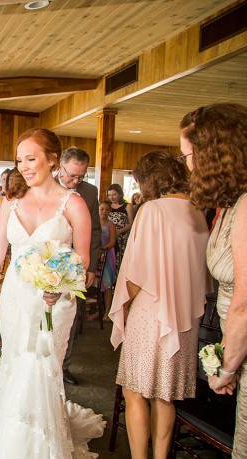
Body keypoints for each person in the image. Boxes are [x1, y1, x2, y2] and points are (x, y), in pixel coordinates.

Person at [0, 128, 103, 458]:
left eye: (31, 158)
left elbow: (84, 260)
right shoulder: (12, 201)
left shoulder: (73, 204)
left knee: (41, 368)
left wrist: (59, 288)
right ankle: (13, 439)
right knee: (16, 363)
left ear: (52, 159)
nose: (25, 166)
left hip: (53, 302)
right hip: (16, 297)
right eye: (20, 160)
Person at [109, 150, 210, 459]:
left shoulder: (152, 209)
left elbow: (136, 273)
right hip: (185, 315)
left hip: (151, 311)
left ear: (150, 180)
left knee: (135, 391)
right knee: (165, 395)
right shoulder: (198, 211)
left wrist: (123, 305)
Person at [180, 103, 247, 457]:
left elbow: (244, 304)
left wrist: (226, 367)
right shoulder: (231, 204)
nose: (187, 165)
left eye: (188, 155)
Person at [57, 146, 101, 385]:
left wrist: (91, 266)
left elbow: (94, 231)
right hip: (45, 262)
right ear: (60, 166)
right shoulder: (45, 185)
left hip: (77, 264)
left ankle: (63, 366)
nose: (75, 181)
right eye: (71, 175)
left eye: (81, 176)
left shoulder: (90, 192)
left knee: (70, 317)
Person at [107, 183, 133, 270]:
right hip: (107, 237)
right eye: (109, 195)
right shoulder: (107, 206)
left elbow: (131, 223)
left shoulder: (127, 206)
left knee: (119, 261)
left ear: (120, 194)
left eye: (114, 194)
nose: (111, 197)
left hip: (121, 237)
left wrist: (119, 231)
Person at [98, 201, 117, 319]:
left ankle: (107, 312)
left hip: (107, 255)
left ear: (110, 211)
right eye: (102, 209)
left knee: (107, 284)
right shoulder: (94, 223)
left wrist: (102, 249)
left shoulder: (111, 225)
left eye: (107, 210)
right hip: (96, 255)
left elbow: (112, 242)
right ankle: (97, 310)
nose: (104, 212)